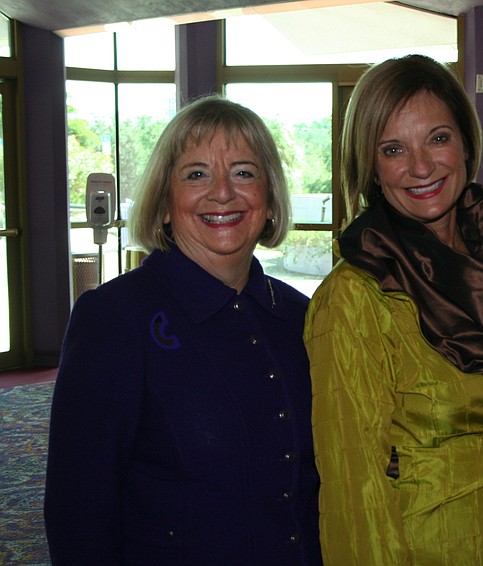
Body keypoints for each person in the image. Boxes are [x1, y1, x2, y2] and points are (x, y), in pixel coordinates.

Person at [44, 96, 322, 565]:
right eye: (196, 174)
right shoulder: (113, 320)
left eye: (243, 172)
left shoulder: (300, 316)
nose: (222, 193)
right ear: (165, 203)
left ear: (270, 197)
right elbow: (80, 507)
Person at [304, 54, 483, 564]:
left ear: (466, 141)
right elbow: (354, 494)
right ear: (370, 165)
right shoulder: (354, 296)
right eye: (393, 149)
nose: (420, 166)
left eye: (437, 138)